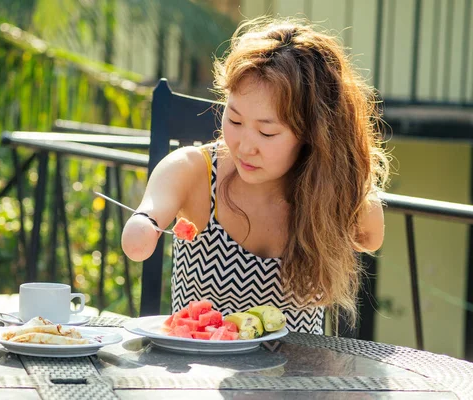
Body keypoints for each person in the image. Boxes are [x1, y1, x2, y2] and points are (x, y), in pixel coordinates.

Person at [121, 17, 390, 334]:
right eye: (234, 120)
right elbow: (150, 211)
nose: (245, 146)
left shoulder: (326, 190)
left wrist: (342, 176)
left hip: (301, 375)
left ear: (313, 135)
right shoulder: (193, 171)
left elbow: (371, 238)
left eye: (267, 132)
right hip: (201, 370)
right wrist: (145, 226)